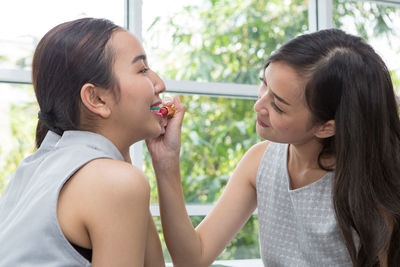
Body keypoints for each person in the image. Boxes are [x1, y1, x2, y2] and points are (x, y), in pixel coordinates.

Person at [146, 28, 400, 267]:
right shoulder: (260, 162)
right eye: (264, 84)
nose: (259, 105)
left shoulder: (375, 183)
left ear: (326, 127)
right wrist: (166, 162)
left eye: (278, 105)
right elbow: (193, 258)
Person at [0, 17, 182, 266]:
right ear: (96, 99)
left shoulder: (39, 165)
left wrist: (129, 152)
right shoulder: (114, 182)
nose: (159, 83)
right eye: (142, 70)